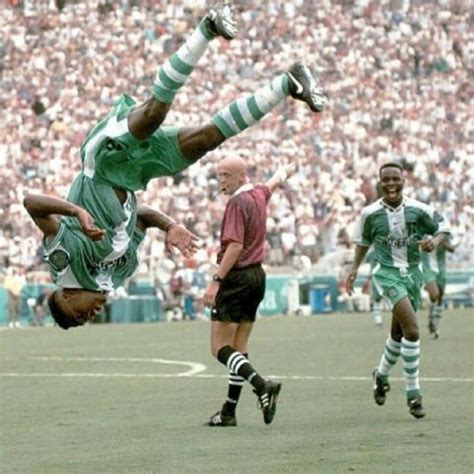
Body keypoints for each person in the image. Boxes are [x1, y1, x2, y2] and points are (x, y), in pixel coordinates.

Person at [23, 5, 327, 330]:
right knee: (208, 138)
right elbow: (140, 216)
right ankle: (289, 82)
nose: (91, 314)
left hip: (102, 163)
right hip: (135, 175)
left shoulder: (65, 264)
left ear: (65, 297)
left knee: (154, 113)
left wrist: (76, 212)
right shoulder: (117, 273)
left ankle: (208, 28)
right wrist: (169, 227)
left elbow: (32, 203)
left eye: (80, 314)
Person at [346, 162, 450, 419]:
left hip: (413, 274)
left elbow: (443, 228)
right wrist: (354, 269)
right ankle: (414, 394)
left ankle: (380, 375)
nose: (391, 184)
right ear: (379, 183)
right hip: (386, 273)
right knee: (412, 331)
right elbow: (363, 243)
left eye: (396, 179)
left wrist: (433, 241)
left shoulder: (419, 209)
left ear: (403, 181)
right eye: (386, 180)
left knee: (397, 333)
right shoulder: (369, 214)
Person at [203, 157, 296, 427]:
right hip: (257, 276)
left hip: (237, 277)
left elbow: (234, 246)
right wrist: (287, 170)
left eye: (227, 175)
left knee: (219, 348)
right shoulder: (257, 193)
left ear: (241, 176)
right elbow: (274, 182)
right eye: (219, 175)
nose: (222, 181)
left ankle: (262, 385)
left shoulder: (236, 203)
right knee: (239, 348)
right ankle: (229, 411)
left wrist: (216, 280)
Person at [421, 239, 456, 339]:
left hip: (441, 269)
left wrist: (444, 243)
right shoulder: (423, 230)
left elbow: (452, 248)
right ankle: (433, 321)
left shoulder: (443, 232)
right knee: (434, 294)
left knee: (440, 296)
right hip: (427, 268)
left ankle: (434, 322)